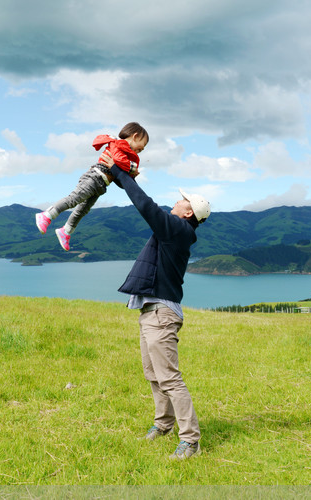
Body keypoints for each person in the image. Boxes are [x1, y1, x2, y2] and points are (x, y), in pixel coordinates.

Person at [100, 148, 210, 460]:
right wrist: (123, 178)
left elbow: (146, 206)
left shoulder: (177, 230)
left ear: (188, 213)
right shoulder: (177, 230)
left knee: (170, 378)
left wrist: (120, 174)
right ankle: (163, 425)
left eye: (181, 201)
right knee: (153, 375)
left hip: (162, 313)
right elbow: (148, 205)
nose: (175, 202)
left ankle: (190, 441)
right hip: (152, 310)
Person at [35, 122, 149, 251]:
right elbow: (118, 160)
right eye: (143, 145)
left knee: (83, 210)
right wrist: (132, 168)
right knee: (74, 199)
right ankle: (47, 215)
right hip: (94, 177)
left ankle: (66, 231)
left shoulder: (125, 152)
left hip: (100, 185)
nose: (142, 149)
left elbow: (120, 179)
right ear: (135, 136)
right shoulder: (119, 144)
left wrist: (131, 175)